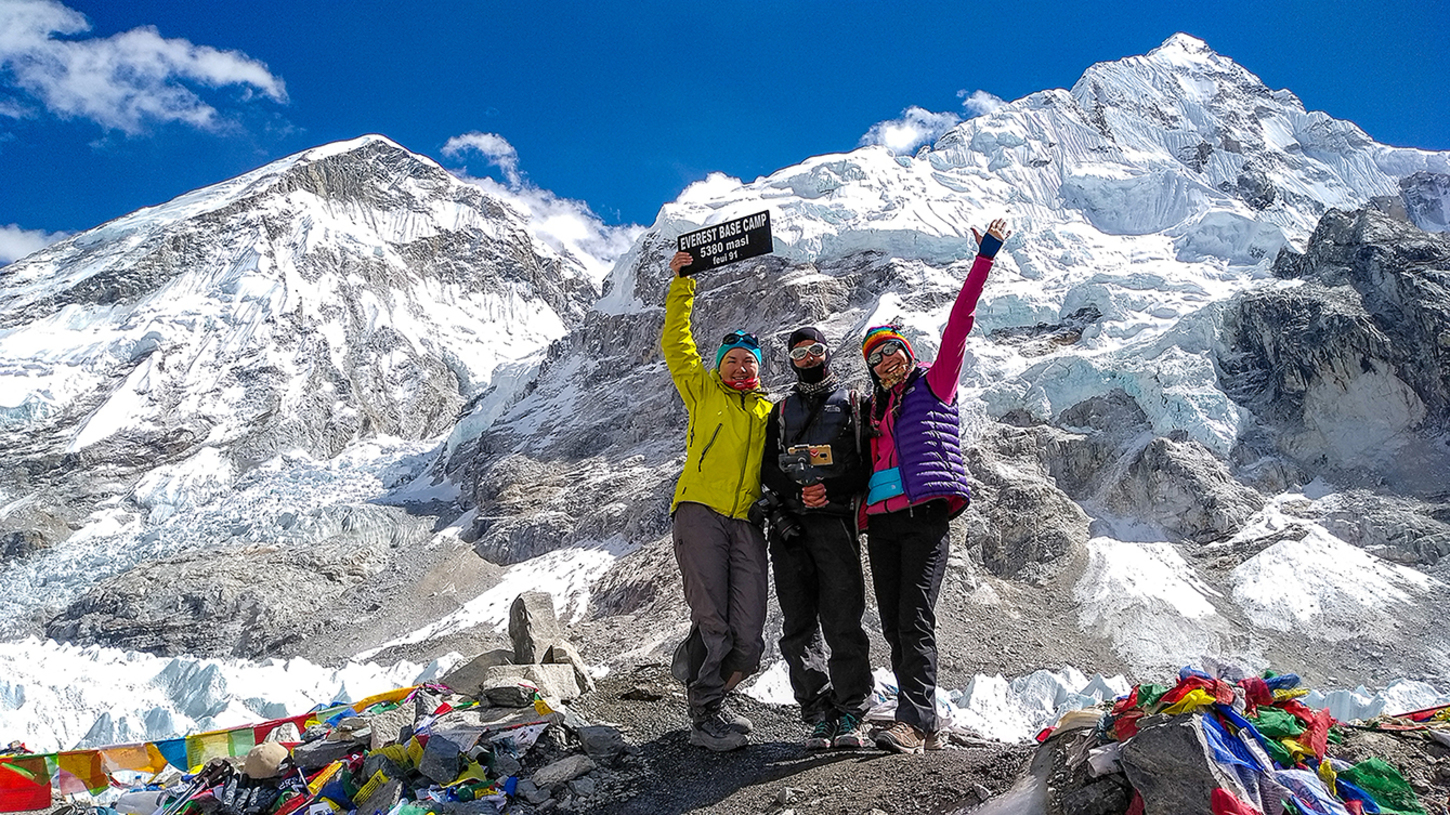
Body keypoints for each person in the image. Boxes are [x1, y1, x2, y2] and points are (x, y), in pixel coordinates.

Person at [860, 217, 1012, 754]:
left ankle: (917, 721)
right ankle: (914, 715)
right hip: (880, 523)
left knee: (915, 616)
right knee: (893, 621)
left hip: (924, 515)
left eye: (891, 350)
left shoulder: (935, 382)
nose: (884, 360)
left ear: (907, 352)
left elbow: (959, 322)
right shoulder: (872, 409)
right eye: (874, 357)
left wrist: (985, 257)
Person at [662, 249, 774, 752]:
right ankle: (704, 713)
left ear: (758, 369)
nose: (740, 366)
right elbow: (677, 345)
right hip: (700, 512)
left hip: (747, 522)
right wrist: (684, 283)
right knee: (716, 621)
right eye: (731, 360)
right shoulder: (703, 392)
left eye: (748, 361)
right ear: (719, 366)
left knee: (749, 639)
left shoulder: (769, 411)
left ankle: (700, 678)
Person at [758, 328, 874, 750]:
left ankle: (851, 710)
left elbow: (865, 463)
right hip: (790, 526)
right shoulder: (781, 410)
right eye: (800, 353)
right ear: (791, 360)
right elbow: (767, 467)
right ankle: (818, 711)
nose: (808, 358)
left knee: (843, 619)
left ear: (827, 354)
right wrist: (795, 493)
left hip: (835, 522)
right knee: (798, 623)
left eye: (815, 350)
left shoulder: (854, 404)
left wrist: (831, 489)